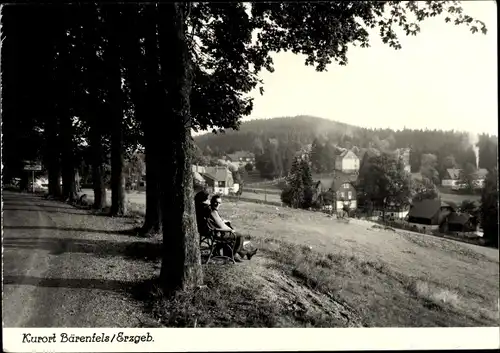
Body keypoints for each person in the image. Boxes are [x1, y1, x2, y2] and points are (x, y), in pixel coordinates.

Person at [208, 194, 257, 262]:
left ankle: (246, 253)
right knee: (239, 236)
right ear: (212, 201)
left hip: (216, 231)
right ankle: (232, 256)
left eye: (219, 203)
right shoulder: (213, 212)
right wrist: (231, 230)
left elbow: (217, 221)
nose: (218, 204)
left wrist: (223, 221)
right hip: (218, 233)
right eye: (216, 202)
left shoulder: (211, 209)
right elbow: (221, 226)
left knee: (234, 234)